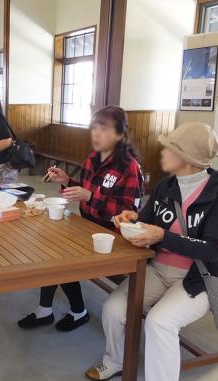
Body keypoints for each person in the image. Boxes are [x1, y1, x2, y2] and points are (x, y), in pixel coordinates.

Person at [85, 122, 218, 381]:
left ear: (188, 158)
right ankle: (115, 361)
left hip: (198, 277)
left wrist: (162, 236)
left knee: (159, 322)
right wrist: (130, 219)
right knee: (113, 308)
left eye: (170, 148)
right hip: (157, 269)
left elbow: (215, 250)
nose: (162, 152)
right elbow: (146, 221)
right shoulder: (166, 185)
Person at [17, 106, 144, 331]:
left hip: (113, 238)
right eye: (94, 128)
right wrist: (67, 182)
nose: (96, 134)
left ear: (120, 133)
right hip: (88, 226)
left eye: (103, 129)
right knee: (50, 243)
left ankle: (78, 312)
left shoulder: (129, 167)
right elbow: (85, 191)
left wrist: (90, 196)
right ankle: (46, 310)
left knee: (60, 254)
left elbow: (127, 215)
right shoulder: (93, 159)